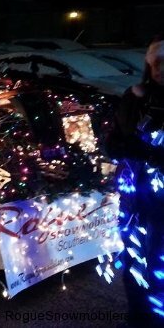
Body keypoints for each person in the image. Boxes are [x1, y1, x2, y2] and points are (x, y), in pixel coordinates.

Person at [106, 36, 164, 326]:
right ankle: (138, 317)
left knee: (159, 261)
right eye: (158, 62)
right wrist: (144, 152)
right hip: (134, 196)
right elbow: (114, 144)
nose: (162, 69)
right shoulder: (136, 97)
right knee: (133, 258)